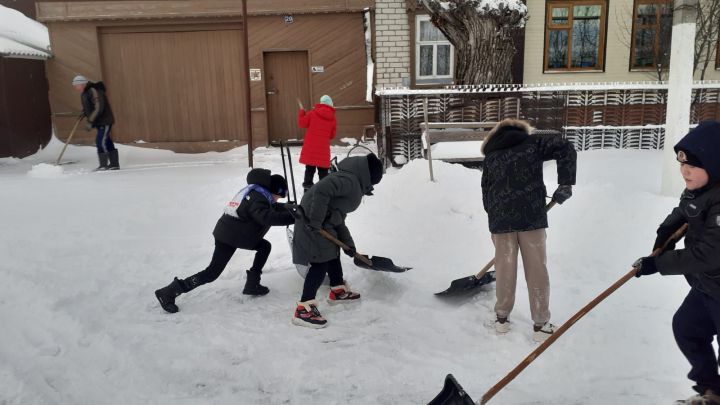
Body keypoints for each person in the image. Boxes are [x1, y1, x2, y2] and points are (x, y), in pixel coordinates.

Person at [634, 121, 720, 405]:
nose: (684, 171)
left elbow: (709, 253)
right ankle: (711, 390)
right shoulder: (700, 188)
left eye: (692, 165)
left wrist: (658, 264)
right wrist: (666, 232)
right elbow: (685, 209)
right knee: (687, 328)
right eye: (681, 163)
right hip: (709, 285)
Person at [480, 118, 577, 342]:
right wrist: (565, 183)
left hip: (500, 220)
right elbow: (565, 147)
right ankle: (541, 324)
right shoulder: (532, 144)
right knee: (537, 270)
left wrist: (495, 214)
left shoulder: (492, 155)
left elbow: (485, 191)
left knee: (504, 268)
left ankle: (501, 320)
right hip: (531, 217)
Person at [155, 169, 295, 313]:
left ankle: (252, 285)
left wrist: (288, 208)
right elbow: (267, 217)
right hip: (229, 237)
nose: (277, 200)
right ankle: (169, 292)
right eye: (278, 197)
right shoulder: (258, 198)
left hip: (235, 234)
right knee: (212, 272)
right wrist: (294, 217)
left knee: (264, 246)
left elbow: (272, 207)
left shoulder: (257, 193)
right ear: (272, 191)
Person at [290, 153, 384, 328]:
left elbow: (338, 217)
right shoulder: (348, 180)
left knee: (333, 253)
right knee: (320, 262)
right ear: (368, 175)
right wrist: (316, 220)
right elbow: (320, 190)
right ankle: (303, 309)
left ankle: (337, 289)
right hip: (312, 223)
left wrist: (349, 244)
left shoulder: (352, 181)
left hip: (323, 223)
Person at [72, 75, 119, 170]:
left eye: (76, 86)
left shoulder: (93, 91)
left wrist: (90, 120)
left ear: (82, 84)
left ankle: (104, 165)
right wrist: (84, 113)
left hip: (104, 120)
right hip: (99, 121)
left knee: (100, 141)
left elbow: (98, 107)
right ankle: (114, 164)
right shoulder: (84, 93)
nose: (75, 88)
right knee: (106, 141)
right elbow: (89, 106)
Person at [298, 95, 336, 191]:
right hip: (323, 150)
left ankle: (307, 189)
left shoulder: (312, 113)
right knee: (323, 172)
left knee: (310, 169)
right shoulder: (332, 118)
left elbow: (302, 123)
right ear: (330, 104)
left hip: (311, 148)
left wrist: (302, 112)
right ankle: (323, 191)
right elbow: (332, 135)